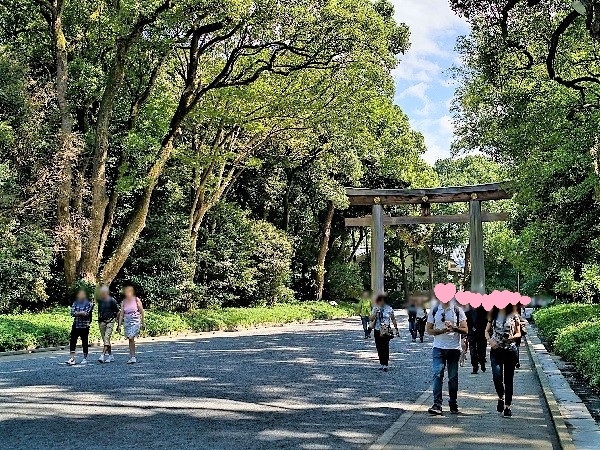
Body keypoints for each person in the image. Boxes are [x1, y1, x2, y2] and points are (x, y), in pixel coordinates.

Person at [426, 297, 468, 415]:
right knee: (437, 374)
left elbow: (465, 330)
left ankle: (453, 403)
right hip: (438, 348)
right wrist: (441, 331)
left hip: (453, 348)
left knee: (452, 377)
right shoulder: (434, 310)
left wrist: (454, 328)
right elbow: (429, 330)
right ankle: (437, 404)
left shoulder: (457, 310)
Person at [485, 304, 521, 418]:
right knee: (496, 376)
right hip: (496, 350)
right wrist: (490, 341)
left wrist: (513, 337)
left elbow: (519, 332)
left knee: (508, 380)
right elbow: (486, 331)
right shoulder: (494, 314)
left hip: (510, 351)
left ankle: (507, 407)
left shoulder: (514, 316)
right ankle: (500, 397)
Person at [369, 293, 399, 372]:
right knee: (379, 347)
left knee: (385, 347)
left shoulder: (389, 309)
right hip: (377, 329)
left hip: (386, 330)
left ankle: (385, 364)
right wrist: (375, 313)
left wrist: (396, 328)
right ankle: (381, 363)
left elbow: (393, 319)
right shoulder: (375, 308)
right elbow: (371, 318)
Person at [117, 284, 145, 364]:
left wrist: (143, 323)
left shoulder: (136, 299)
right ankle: (132, 356)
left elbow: (142, 311)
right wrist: (119, 325)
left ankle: (133, 357)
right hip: (127, 320)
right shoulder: (124, 302)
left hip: (135, 319)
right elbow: (121, 314)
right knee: (130, 338)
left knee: (131, 336)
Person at [66, 289, 94, 366]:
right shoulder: (75, 303)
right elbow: (72, 313)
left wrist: (78, 313)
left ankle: (85, 358)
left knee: (84, 342)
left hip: (85, 326)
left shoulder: (89, 304)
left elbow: (86, 314)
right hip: (76, 324)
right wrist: (80, 313)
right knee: (73, 341)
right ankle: (72, 358)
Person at [97, 285, 119, 363]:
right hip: (101, 321)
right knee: (106, 340)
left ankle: (102, 355)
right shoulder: (100, 300)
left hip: (110, 320)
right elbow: (99, 311)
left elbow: (117, 311)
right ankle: (110, 356)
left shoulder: (112, 300)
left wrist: (118, 323)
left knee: (106, 338)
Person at [465, 305, 488, 374]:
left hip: (481, 334)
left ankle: (482, 363)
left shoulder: (484, 311)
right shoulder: (467, 313)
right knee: (472, 351)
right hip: (471, 334)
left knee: (481, 350)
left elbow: (486, 322)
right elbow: (466, 324)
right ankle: (475, 366)